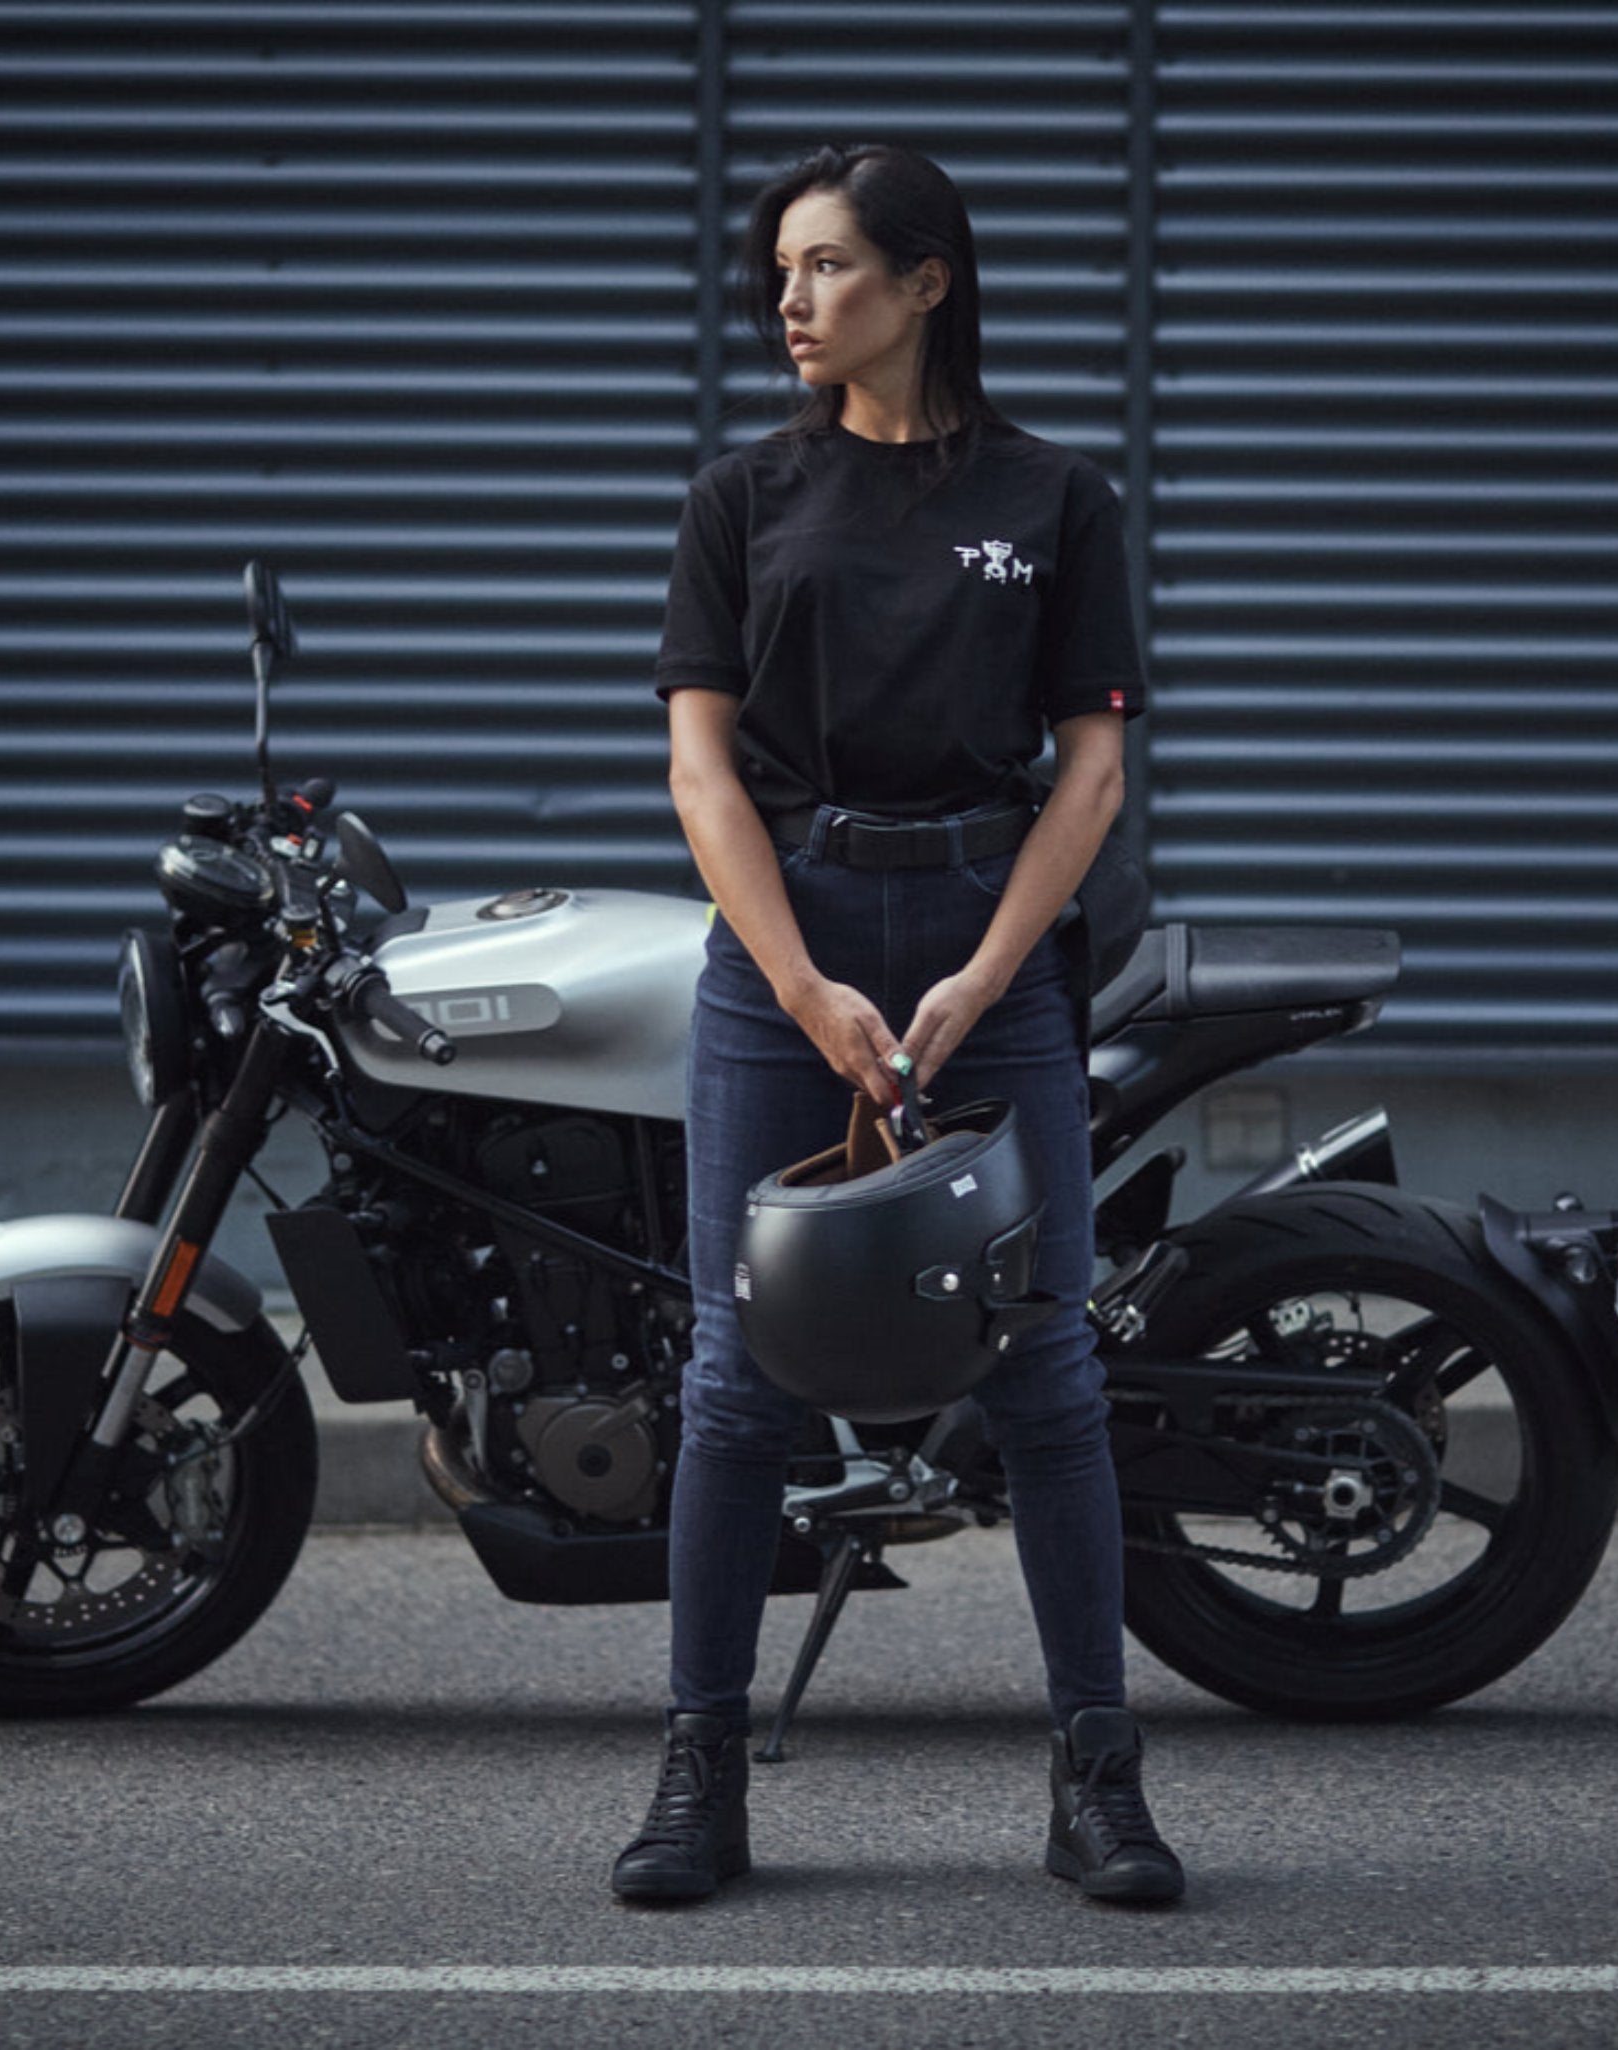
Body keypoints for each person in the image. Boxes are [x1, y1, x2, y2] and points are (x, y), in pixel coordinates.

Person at [610, 143, 1184, 1908]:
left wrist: (991, 970)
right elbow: (703, 772)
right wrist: (796, 981)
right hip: (783, 947)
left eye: (833, 266)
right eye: (782, 269)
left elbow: (1089, 772)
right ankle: (701, 1769)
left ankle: (1098, 1772)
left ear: (930, 282)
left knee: (1048, 1369)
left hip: (984, 946)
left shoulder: (1054, 498)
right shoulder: (740, 498)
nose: (793, 299)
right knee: (733, 1369)